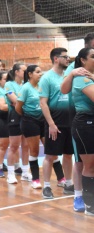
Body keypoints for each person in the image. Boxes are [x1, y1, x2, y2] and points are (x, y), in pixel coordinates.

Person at [61, 33, 94, 212]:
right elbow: (64, 89)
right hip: (81, 119)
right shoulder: (78, 73)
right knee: (82, 162)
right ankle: (81, 198)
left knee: (89, 163)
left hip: (88, 120)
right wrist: (73, 73)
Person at [39, 47, 74, 199]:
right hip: (55, 123)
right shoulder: (47, 78)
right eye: (65, 57)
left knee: (68, 154)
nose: (68, 59)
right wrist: (51, 124)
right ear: (56, 58)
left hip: (70, 122)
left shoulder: (68, 76)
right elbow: (43, 103)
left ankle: (69, 184)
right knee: (50, 156)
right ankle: (46, 186)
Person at [70, 47, 94, 215]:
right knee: (89, 165)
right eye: (93, 56)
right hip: (85, 123)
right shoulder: (81, 78)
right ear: (83, 60)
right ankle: (90, 205)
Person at [15, 65, 44, 189]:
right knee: (35, 151)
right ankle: (35, 179)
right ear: (30, 74)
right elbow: (18, 107)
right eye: (38, 72)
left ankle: (61, 178)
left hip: (43, 120)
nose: (41, 74)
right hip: (30, 121)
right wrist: (28, 117)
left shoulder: (42, 86)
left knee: (51, 149)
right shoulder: (26, 88)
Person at [4, 64, 32, 184]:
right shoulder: (9, 84)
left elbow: (29, 100)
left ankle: (25, 172)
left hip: (27, 115)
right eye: (24, 70)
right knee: (14, 146)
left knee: (26, 146)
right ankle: (10, 174)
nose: (26, 73)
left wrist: (22, 102)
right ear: (16, 72)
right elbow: (14, 100)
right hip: (15, 116)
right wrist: (23, 102)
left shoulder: (27, 85)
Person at [0, 71, 9, 178]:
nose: (7, 81)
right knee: (2, 144)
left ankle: (17, 167)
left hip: (14, 118)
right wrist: (16, 105)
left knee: (15, 145)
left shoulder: (13, 89)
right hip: (3, 119)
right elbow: (2, 107)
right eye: (5, 79)